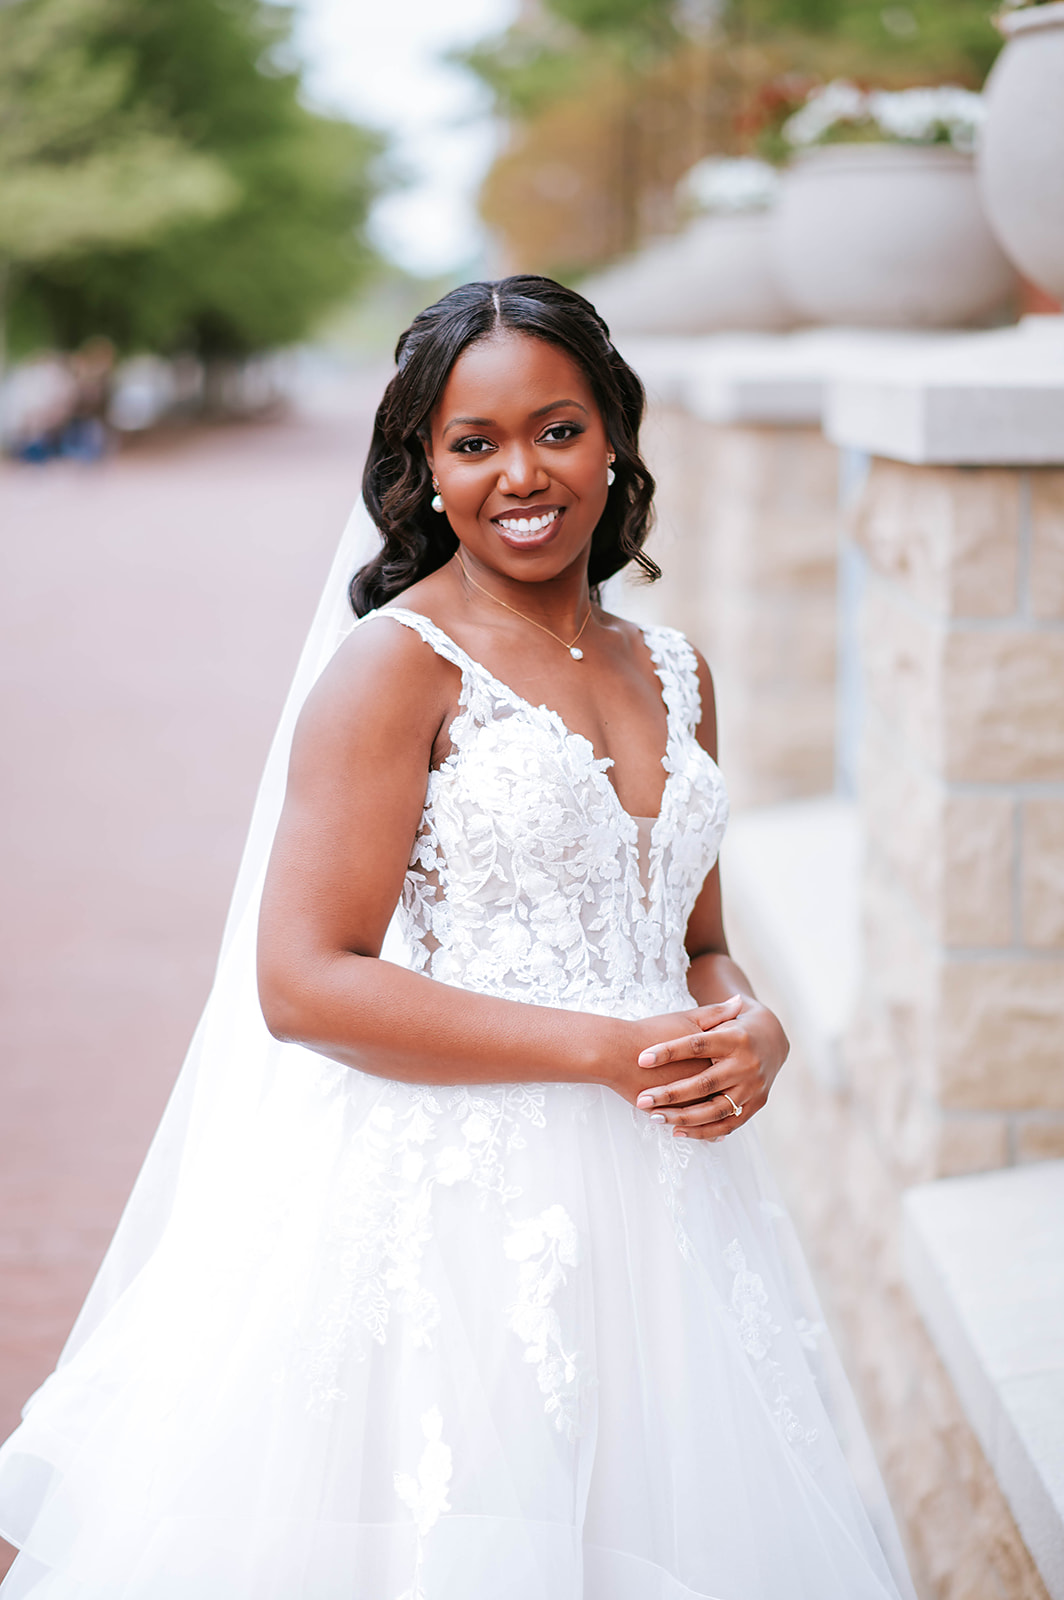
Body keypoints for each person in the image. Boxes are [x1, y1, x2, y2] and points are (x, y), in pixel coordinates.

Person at [0, 276, 916, 1599]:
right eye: (472, 444)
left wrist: (750, 1022)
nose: (521, 475)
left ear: (615, 436)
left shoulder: (679, 670)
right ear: (425, 470)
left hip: (670, 1206)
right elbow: (305, 984)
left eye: (556, 429)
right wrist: (604, 1049)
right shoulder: (397, 666)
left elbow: (694, 933)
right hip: (461, 1206)